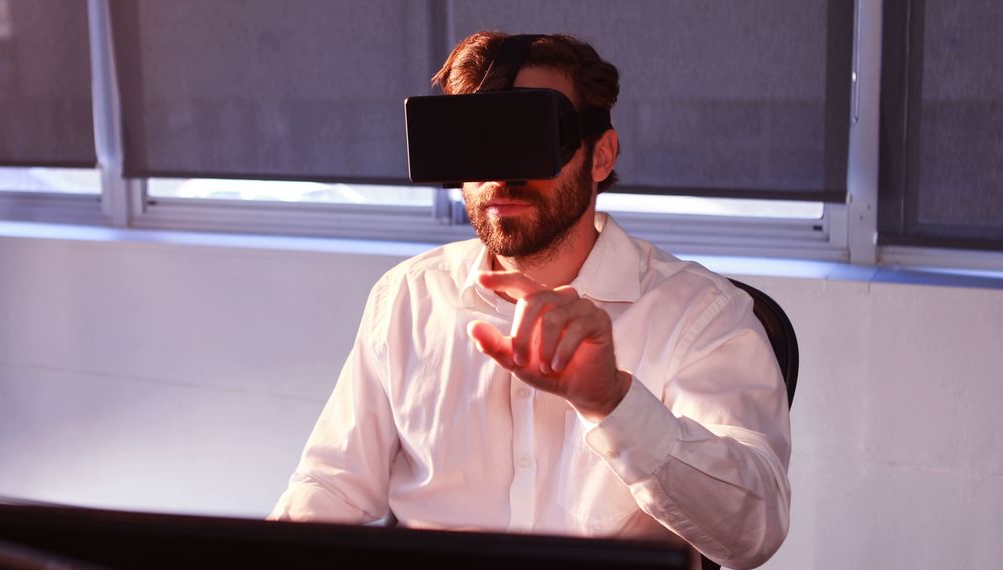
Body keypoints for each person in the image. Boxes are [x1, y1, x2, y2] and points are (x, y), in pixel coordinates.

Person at [270, 32, 790, 569]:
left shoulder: (698, 313)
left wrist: (612, 402)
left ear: (601, 156)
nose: (502, 174)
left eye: (531, 138)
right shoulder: (407, 298)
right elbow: (331, 484)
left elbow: (753, 534)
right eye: (478, 141)